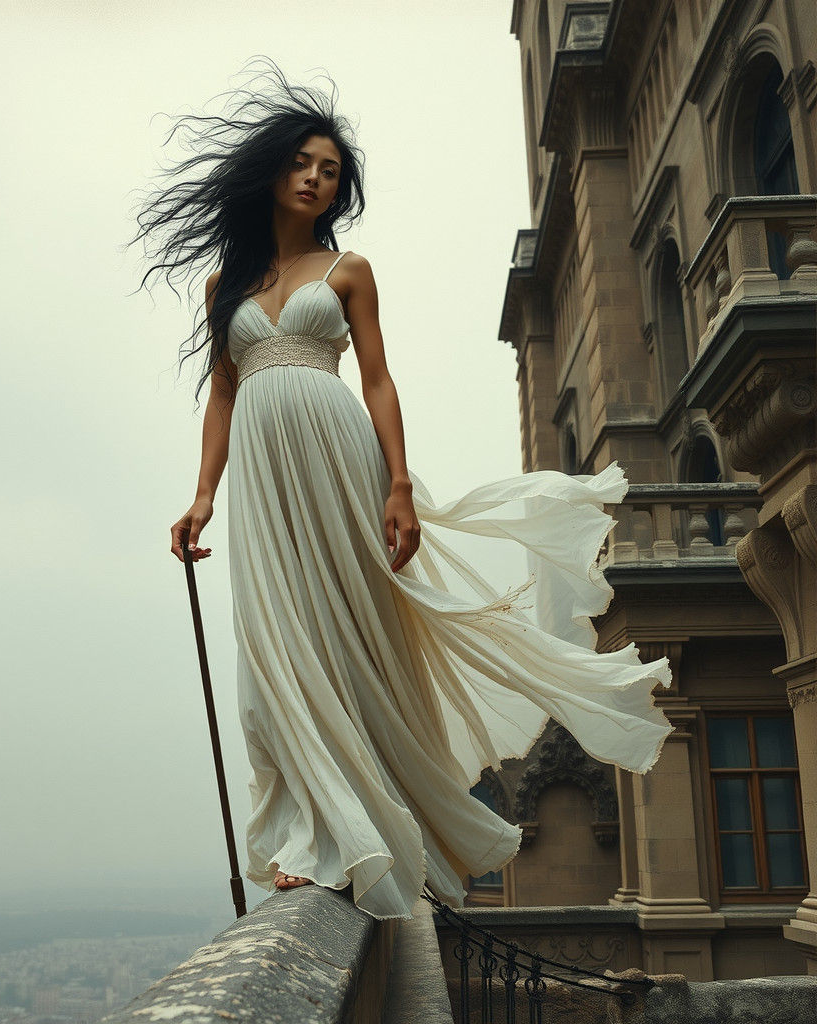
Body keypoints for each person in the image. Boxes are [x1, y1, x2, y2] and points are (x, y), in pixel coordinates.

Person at [132, 57, 673, 921]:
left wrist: (396, 489)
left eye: (331, 172)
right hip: (265, 484)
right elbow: (224, 392)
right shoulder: (222, 287)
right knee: (275, 639)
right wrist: (202, 495)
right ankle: (307, 828)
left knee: (351, 628)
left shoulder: (349, 270)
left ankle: (357, 826)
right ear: (275, 171)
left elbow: (378, 381)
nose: (316, 178)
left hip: (338, 457)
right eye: (305, 163)